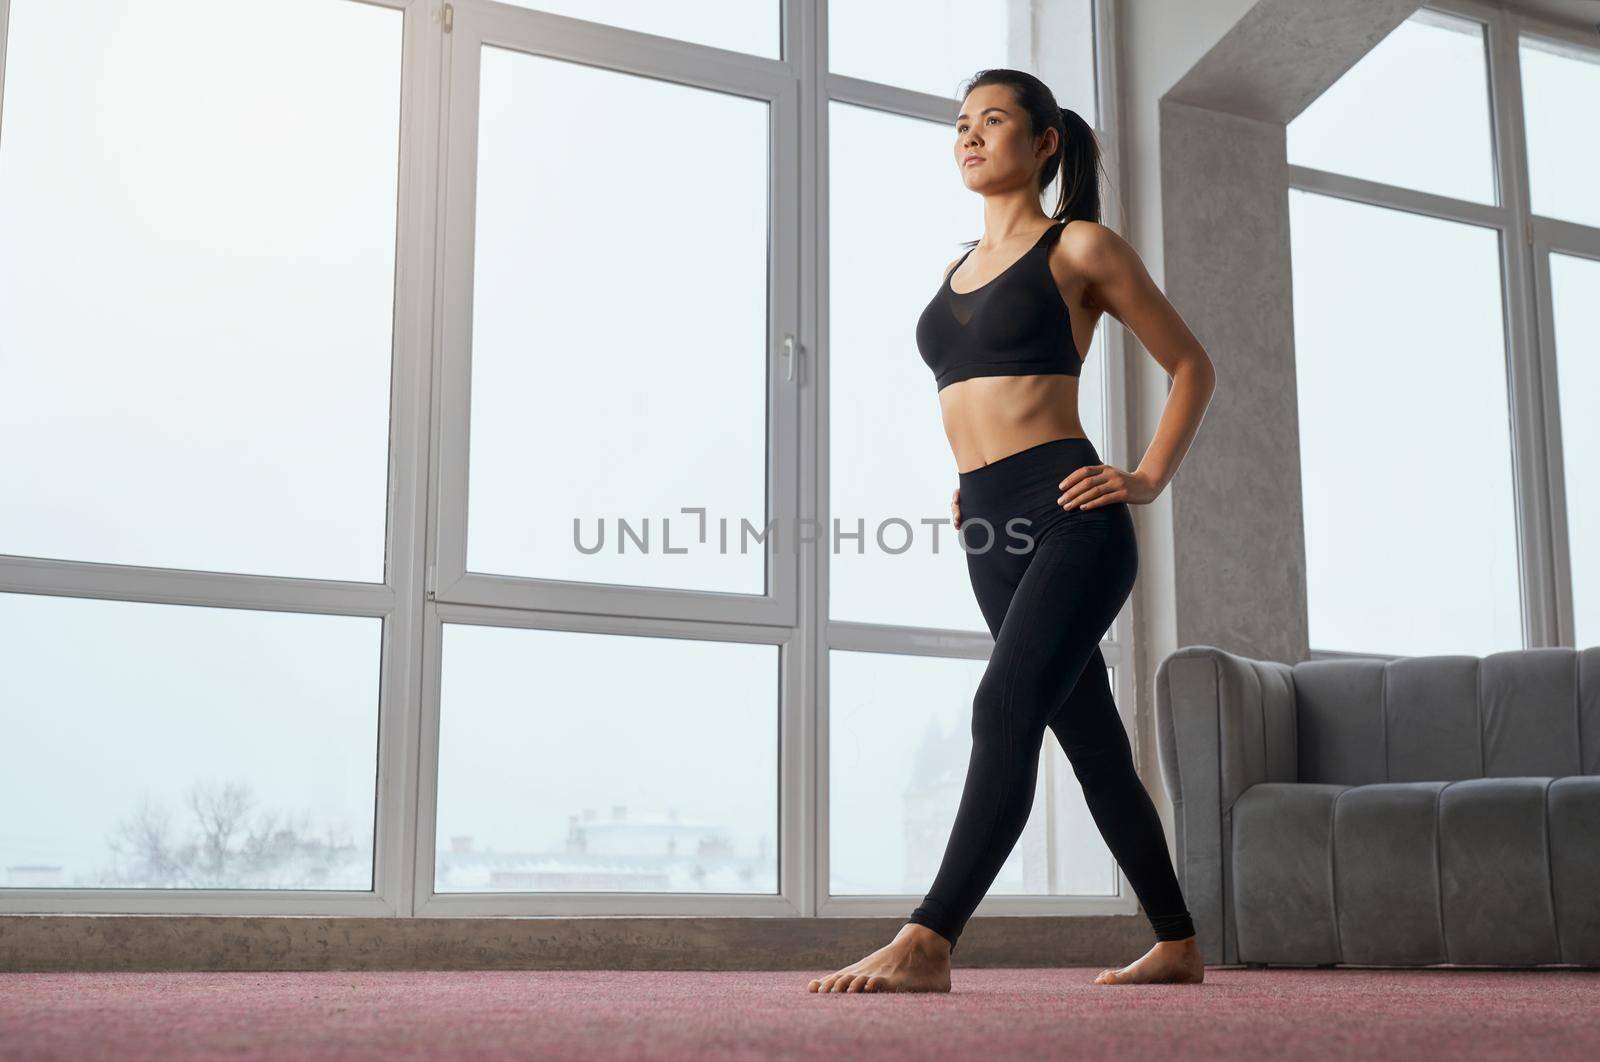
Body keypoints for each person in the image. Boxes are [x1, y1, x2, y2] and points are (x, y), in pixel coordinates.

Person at [808, 69, 1216, 994]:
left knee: (1002, 709)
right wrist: (973, 486)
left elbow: (1192, 365)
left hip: (1071, 516)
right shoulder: (953, 270)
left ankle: (930, 940)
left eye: (993, 121)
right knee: (1092, 739)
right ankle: (1179, 942)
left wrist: (1145, 476)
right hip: (987, 526)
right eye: (960, 123)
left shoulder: (1079, 247)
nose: (970, 135)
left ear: (1044, 144)